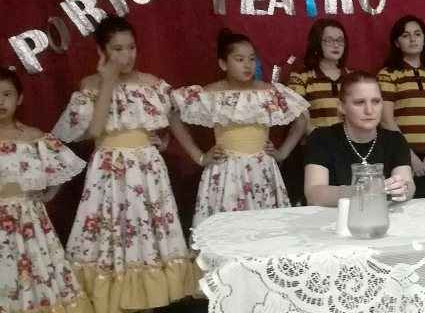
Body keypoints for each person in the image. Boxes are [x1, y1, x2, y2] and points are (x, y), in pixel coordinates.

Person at [51, 16, 198, 313]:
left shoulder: (151, 84)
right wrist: (107, 81)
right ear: (101, 51)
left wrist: (195, 154)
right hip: (109, 169)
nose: (127, 55)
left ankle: (148, 300)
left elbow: (173, 119)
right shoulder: (91, 86)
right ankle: (119, 301)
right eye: (117, 49)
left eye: (131, 47)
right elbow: (94, 130)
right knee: (113, 235)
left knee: (147, 237)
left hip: (146, 170)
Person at [171, 29, 308, 225]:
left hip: (262, 170)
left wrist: (282, 153)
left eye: (252, 59)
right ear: (223, 63)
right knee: (228, 228)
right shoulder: (211, 93)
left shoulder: (269, 92)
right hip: (226, 171)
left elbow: (301, 118)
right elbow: (174, 116)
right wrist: (199, 156)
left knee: (265, 228)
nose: (247, 65)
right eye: (240, 59)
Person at [0, 68, 93, 313]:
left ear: (19, 98)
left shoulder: (33, 137)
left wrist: (50, 193)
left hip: (27, 219)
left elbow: (64, 164)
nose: (1, 101)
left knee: (33, 271)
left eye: (7, 94)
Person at [304, 71, 414, 207]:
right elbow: (314, 194)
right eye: (359, 102)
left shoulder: (395, 140)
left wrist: (402, 189)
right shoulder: (321, 138)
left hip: (383, 214)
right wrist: (362, 191)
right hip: (334, 217)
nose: (369, 110)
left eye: (375, 101)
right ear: (342, 107)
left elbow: (408, 183)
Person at [378, 15, 425, 198]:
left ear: (424, 39)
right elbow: (386, 120)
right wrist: (409, 157)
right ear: (396, 42)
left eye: (417, 34)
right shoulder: (388, 74)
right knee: (402, 204)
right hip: (401, 156)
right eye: (406, 35)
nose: (413, 39)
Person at [287, 19, 351, 204]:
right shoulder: (301, 77)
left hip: (349, 148)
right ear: (317, 43)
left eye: (340, 40)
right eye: (329, 40)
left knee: (349, 201)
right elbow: (300, 117)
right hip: (315, 148)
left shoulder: (353, 77)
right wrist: (325, 141)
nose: (336, 45)